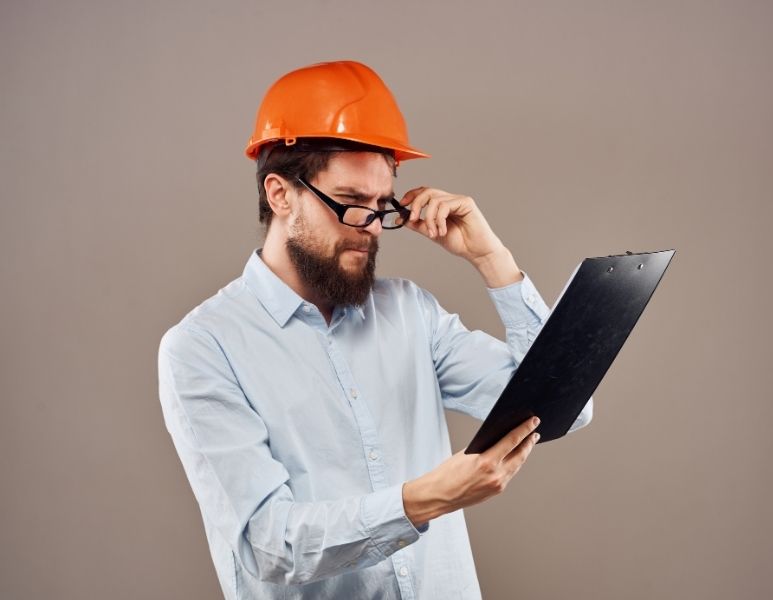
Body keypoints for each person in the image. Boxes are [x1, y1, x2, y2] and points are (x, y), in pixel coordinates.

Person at [158, 60, 592, 600]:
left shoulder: (412, 313)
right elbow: (267, 546)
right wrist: (421, 501)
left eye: (381, 205)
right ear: (280, 194)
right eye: (350, 203)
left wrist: (491, 258)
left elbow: (563, 408)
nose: (369, 228)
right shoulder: (203, 348)